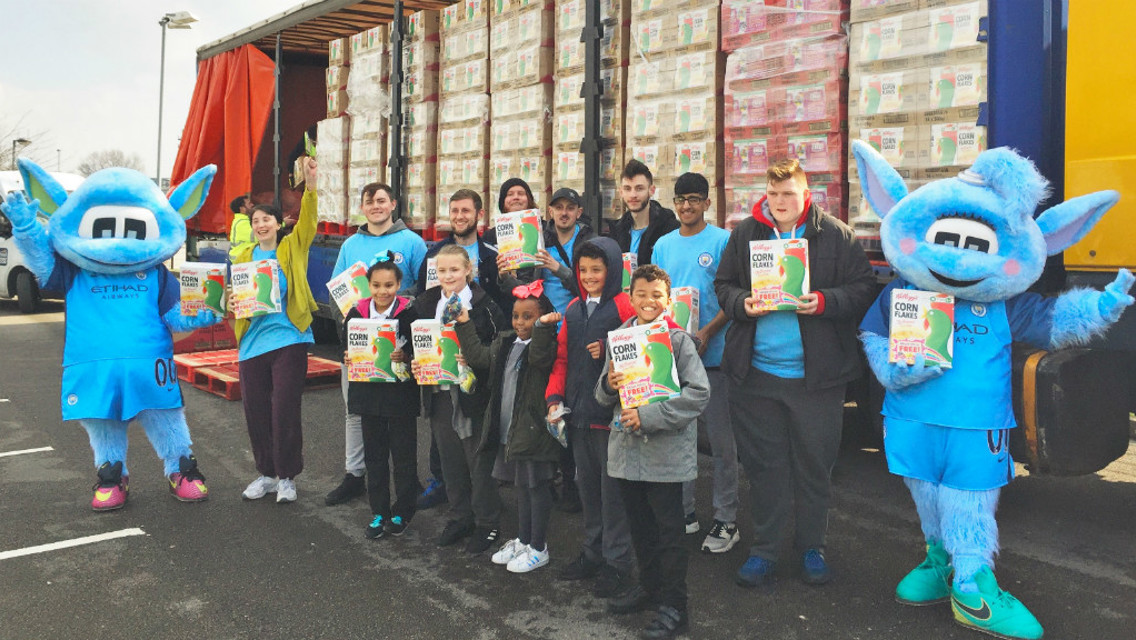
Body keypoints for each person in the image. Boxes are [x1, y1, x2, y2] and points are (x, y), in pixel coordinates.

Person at [714, 158, 875, 588]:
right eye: (773, 193)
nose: (780, 201)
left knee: (814, 467)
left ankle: (811, 548)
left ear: (807, 194)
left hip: (816, 378)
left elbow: (862, 288)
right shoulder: (746, 234)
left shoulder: (836, 235)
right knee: (764, 468)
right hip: (757, 375)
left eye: (788, 193)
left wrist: (824, 301)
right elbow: (723, 285)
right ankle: (764, 551)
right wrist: (741, 304)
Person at [597, 265, 710, 640]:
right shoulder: (620, 338)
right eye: (641, 294)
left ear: (669, 300)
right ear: (630, 298)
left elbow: (699, 394)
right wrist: (609, 384)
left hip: (665, 458)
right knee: (640, 528)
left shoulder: (678, 342)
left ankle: (676, 607)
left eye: (657, 295)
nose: (649, 301)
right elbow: (602, 396)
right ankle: (650, 588)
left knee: (669, 534)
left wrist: (648, 417)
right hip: (627, 455)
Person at [650, 172, 740, 552]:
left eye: (694, 199)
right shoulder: (663, 245)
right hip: (674, 360)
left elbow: (733, 297)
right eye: (680, 200)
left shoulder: (723, 241)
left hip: (714, 358)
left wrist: (707, 333)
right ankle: (685, 512)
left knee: (722, 444)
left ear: (707, 202)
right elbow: (654, 299)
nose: (686, 206)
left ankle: (726, 519)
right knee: (679, 439)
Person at [325, 182, 428, 507]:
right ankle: (355, 475)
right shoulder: (350, 245)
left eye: (381, 200)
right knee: (355, 411)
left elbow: (425, 290)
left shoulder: (412, 242)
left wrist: (396, 313)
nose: (376, 206)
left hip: (398, 347)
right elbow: (336, 293)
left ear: (393, 204)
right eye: (369, 201)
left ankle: (408, 481)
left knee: (400, 417)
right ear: (363, 207)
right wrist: (350, 333)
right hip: (361, 349)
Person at [546, 236, 637, 598]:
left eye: (596, 269)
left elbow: (641, 354)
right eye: (582, 270)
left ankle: (617, 563)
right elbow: (562, 360)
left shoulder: (625, 306)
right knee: (589, 490)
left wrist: (609, 349)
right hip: (578, 415)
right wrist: (554, 397)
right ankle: (593, 551)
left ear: (612, 270)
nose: (588, 276)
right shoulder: (573, 309)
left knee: (613, 495)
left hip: (611, 418)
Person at [456, 281, 561, 573]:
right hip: (511, 430)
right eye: (516, 316)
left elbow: (539, 358)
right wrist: (463, 323)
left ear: (542, 317)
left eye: (529, 317)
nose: (520, 322)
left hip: (533, 431)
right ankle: (524, 540)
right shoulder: (506, 342)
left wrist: (543, 328)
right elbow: (479, 357)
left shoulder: (544, 344)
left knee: (536, 486)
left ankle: (538, 547)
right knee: (521, 487)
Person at [235, 158, 321, 504]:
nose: (260, 224)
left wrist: (311, 185)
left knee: (284, 409)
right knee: (256, 412)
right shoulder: (242, 257)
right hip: (252, 342)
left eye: (266, 219)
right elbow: (232, 297)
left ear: (278, 222)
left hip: (289, 338)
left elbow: (309, 221)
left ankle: (287, 477)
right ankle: (266, 475)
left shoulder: (291, 247)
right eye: (255, 220)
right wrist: (230, 300)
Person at [412, 244, 505, 554]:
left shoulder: (485, 306)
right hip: (439, 392)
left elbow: (497, 352)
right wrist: (414, 363)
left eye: (454, 269)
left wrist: (474, 362)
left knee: (478, 463)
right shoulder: (426, 303)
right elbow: (415, 345)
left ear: (468, 270)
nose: (448, 275)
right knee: (450, 460)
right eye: (442, 270)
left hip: (472, 395)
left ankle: (487, 522)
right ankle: (460, 517)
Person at [341, 254, 420, 539]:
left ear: (399, 284)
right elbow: (345, 346)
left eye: (389, 285)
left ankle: (404, 511)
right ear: (368, 285)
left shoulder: (409, 313)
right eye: (376, 285)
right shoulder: (356, 313)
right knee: (374, 457)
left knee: (403, 457)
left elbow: (420, 349)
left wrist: (405, 355)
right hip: (368, 395)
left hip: (400, 397)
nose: (382, 291)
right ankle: (379, 511)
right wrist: (347, 356)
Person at [499, 187, 594, 315]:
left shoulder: (589, 243)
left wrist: (558, 269)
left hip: (578, 320)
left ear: (579, 212)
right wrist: (505, 277)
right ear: (550, 212)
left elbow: (591, 288)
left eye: (570, 208)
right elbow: (526, 289)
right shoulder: (539, 241)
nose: (564, 213)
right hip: (545, 322)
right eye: (559, 208)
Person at [611, 160, 679, 267]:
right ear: (621, 192)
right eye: (627, 189)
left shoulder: (670, 230)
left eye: (639, 188)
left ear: (652, 190)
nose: (633, 195)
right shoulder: (616, 232)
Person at [228, 193, 255, 260]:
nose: (252, 205)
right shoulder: (241, 223)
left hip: (244, 259)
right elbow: (258, 236)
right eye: (249, 204)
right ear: (242, 208)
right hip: (241, 260)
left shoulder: (243, 221)